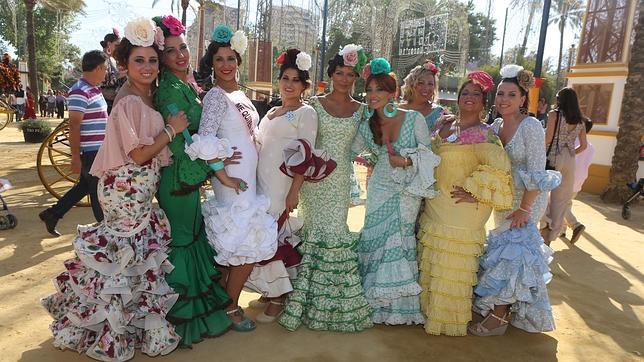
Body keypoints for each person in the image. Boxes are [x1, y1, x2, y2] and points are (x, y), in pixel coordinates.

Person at [41, 17, 187, 360]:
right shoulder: (130, 101)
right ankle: (109, 332)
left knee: (131, 254)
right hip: (125, 189)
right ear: (124, 64)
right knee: (123, 255)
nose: (147, 66)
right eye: (139, 60)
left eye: (152, 59)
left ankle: (125, 326)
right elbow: (137, 154)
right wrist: (172, 130)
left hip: (135, 188)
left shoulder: (145, 95)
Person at [279, 44, 373, 332]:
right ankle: (306, 299)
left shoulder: (363, 111)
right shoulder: (314, 105)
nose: (345, 79)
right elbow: (296, 138)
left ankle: (334, 302)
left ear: (356, 78)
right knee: (314, 232)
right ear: (331, 74)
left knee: (335, 233)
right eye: (340, 73)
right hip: (313, 181)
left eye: (351, 74)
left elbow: (377, 136)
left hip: (341, 179)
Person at [153, 17, 235, 344]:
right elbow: (187, 140)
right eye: (171, 51)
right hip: (177, 181)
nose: (180, 55)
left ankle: (194, 318)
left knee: (191, 239)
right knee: (184, 245)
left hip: (188, 180)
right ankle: (177, 325)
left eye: (183, 47)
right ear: (161, 57)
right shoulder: (167, 91)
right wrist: (221, 161)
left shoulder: (184, 84)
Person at [417, 71, 513, 336]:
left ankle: (448, 321)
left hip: (463, 211)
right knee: (435, 259)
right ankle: (429, 312)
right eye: (465, 92)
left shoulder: (485, 134)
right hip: (436, 203)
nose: (469, 97)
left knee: (453, 264)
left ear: (484, 102)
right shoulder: (443, 124)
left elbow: (500, 171)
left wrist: (476, 193)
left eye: (476, 94)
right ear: (457, 98)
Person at [470, 64, 561, 336]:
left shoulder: (531, 126)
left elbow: (536, 171)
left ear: (523, 99)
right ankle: (501, 307)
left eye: (511, 95)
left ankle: (498, 318)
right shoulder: (496, 125)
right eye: (500, 94)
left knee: (515, 254)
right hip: (503, 201)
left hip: (526, 201)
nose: (504, 100)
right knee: (502, 252)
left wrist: (525, 208)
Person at [197, 24, 277, 331]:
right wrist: (222, 172)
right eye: (219, 59)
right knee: (242, 242)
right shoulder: (216, 96)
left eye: (231, 58)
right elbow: (203, 139)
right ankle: (229, 306)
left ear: (238, 61)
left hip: (248, 177)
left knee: (241, 243)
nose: (226, 64)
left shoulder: (239, 93)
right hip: (233, 181)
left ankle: (223, 302)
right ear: (212, 64)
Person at [353, 58, 440, 325]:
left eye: (380, 90)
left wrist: (405, 160)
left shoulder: (414, 119)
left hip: (406, 192)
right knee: (373, 237)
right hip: (379, 186)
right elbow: (353, 148)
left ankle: (397, 309)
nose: (373, 95)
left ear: (393, 93)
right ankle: (371, 303)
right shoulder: (369, 122)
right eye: (369, 90)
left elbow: (430, 157)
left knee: (399, 240)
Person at [252, 48, 318, 323]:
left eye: (295, 79)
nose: (288, 84)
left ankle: (279, 297)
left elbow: (305, 154)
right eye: (285, 78)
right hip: (259, 182)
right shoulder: (271, 112)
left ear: (304, 86)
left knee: (274, 235)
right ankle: (270, 289)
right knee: (261, 233)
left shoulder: (306, 113)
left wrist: (294, 190)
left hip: (281, 185)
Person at [38, 51, 108, 236]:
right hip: (91, 152)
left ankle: (52, 214)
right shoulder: (80, 90)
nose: (106, 72)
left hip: (99, 151)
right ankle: (106, 231)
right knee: (97, 191)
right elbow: (74, 125)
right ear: (99, 67)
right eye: (105, 68)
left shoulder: (94, 89)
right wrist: (75, 157)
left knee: (84, 187)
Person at [540, 87, 588, 246]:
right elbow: (583, 146)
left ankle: (544, 224)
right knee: (560, 200)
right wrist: (570, 152)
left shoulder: (555, 115)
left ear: (561, 99)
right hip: (570, 160)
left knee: (539, 193)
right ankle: (551, 236)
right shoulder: (580, 121)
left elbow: (547, 139)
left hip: (554, 157)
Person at [561, 118, 595, 243]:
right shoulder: (591, 147)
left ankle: (575, 225)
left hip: (567, 178)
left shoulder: (571, 141)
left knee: (558, 205)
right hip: (579, 180)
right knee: (567, 204)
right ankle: (562, 231)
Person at [400, 60, 446, 132]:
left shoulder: (439, 113)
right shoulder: (398, 110)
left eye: (430, 84)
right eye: (421, 83)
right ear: (411, 85)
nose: (426, 88)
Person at [100, 29, 124, 114]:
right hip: (106, 102)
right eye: (116, 45)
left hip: (114, 101)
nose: (118, 48)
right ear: (109, 44)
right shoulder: (102, 59)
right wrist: (119, 75)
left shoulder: (113, 59)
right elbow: (102, 81)